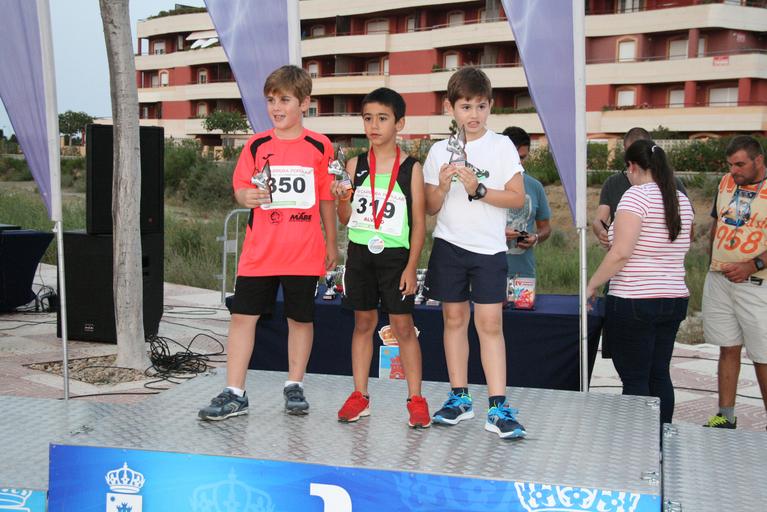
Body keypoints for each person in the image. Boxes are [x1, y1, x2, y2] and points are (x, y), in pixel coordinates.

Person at [198, 65, 337, 421]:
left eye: (285, 100)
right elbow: (241, 188)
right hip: (259, 252)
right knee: (243, 318)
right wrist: (245, 196)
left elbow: (326, 199)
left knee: (300, 320)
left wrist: (333, 245)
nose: (276, 107)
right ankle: (235, 392)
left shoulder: (320, 146)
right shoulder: (256, 144)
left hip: (303, 253)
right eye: (271, 100)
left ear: (304, 103)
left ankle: (295, 385)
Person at [423, 67, 527, 438]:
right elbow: (431, 207)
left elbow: (517, 198)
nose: (474, 114)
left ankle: (498, 406)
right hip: (449, 246)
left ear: (490, 106)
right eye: (466, 106)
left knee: (490, 325)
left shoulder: (502, 146)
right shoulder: (439, 150)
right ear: (450, 107)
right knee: (453, 321)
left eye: (481, 106)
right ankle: (459, 397)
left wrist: (478, 190)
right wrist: (442, 184)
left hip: (488, 250)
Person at [330, 88, 431, 428]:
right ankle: (360, 396)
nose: (374, 125)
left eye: (382, 118)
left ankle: (416, 399)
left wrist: (411, 266)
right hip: (360, 254)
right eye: (368, 118)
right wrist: (341, 197)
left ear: (399, 124)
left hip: (395, 258)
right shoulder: (354, 165)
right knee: (363, 324)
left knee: (403, 327)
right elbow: (345, 217)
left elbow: (419, 224)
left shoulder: (411, 168)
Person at [586, 140, 694, 426]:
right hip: (674, 297)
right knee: (659, 373)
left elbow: (620, 253)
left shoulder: (635, 197)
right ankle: (662, 436)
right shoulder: (681, 199)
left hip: (634, 298)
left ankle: (638, 442)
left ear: (632, 166)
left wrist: (592, 284)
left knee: (635, 378)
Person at [702, 135, 767, 430]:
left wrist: (752, 265)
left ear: (758, 160)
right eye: (730, 164)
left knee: (763, 355)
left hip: (755, 283)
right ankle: (725, 416)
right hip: (720, 279)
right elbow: (717, 222)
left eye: (740, 164)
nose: (734, 170)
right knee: (727, 346)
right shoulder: (726, 182)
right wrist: (712, 260)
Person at [592, 127, 687, 249]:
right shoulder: (612, 183)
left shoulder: (672, 183)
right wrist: (601, 232)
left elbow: (687, 228)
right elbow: (599, 220)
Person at [502, 126, 551, 278]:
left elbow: (545, 228)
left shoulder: (535, 186)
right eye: (513, 157)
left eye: (522, 158)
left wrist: (535, 238)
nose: (518, 163)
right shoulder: (484, 185)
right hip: (488, 272)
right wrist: (497, 232)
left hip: (523, 273)